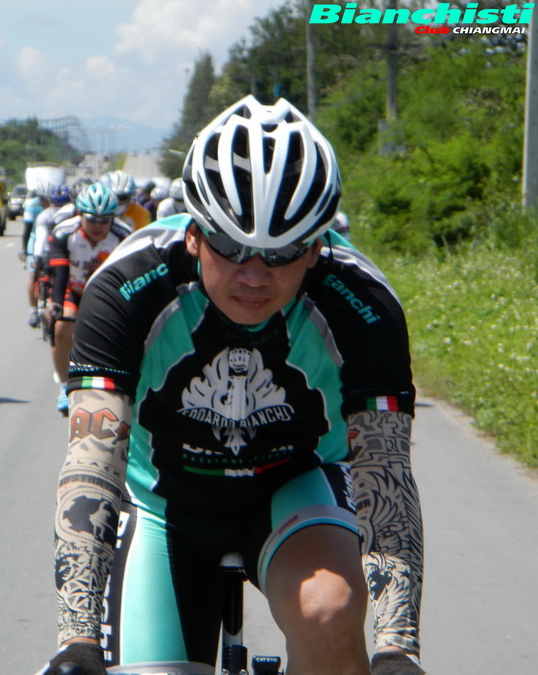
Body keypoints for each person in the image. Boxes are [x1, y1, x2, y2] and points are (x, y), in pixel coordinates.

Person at [40, 96, 426, 675]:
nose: (254, 274)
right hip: (164, 501)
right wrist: (77, 639)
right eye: (229, 246)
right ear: (194, 234)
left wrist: (396, 648)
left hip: (298, 487)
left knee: (328, 612)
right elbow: (93, 459)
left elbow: (386, 471)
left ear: (316, 247)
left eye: (283, 252)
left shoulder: (361, 302)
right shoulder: (127, 287)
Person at [44, 182, 132, 415]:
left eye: (105, 220)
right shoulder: (64, 232)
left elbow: (129, 274)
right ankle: (64, 386)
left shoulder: (124, 235)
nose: (98, 226)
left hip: (105, 292)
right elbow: (59, 273)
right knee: (62, 328)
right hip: (72, 287)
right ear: (80, 214)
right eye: (91, 220)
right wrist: (55, 304)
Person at [27, 183, 72, 328]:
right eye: (55, 205)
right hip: (48, 251)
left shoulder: (72, 214)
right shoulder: (44, 216)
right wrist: (37, 257)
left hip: (64, 251)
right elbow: (40, 238)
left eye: (62, 205)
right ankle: (34, 310)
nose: (59, 208)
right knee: (34, 274)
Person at [22, 187, 52, 327]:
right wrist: (24, 250)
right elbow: (27, 231)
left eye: (48, 200)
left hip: (53, 241)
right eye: (42, 200)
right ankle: (33, 311)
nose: (45, 203)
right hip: (35, 240)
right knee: (33, 275)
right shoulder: (32, 206)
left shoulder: (59, 205)